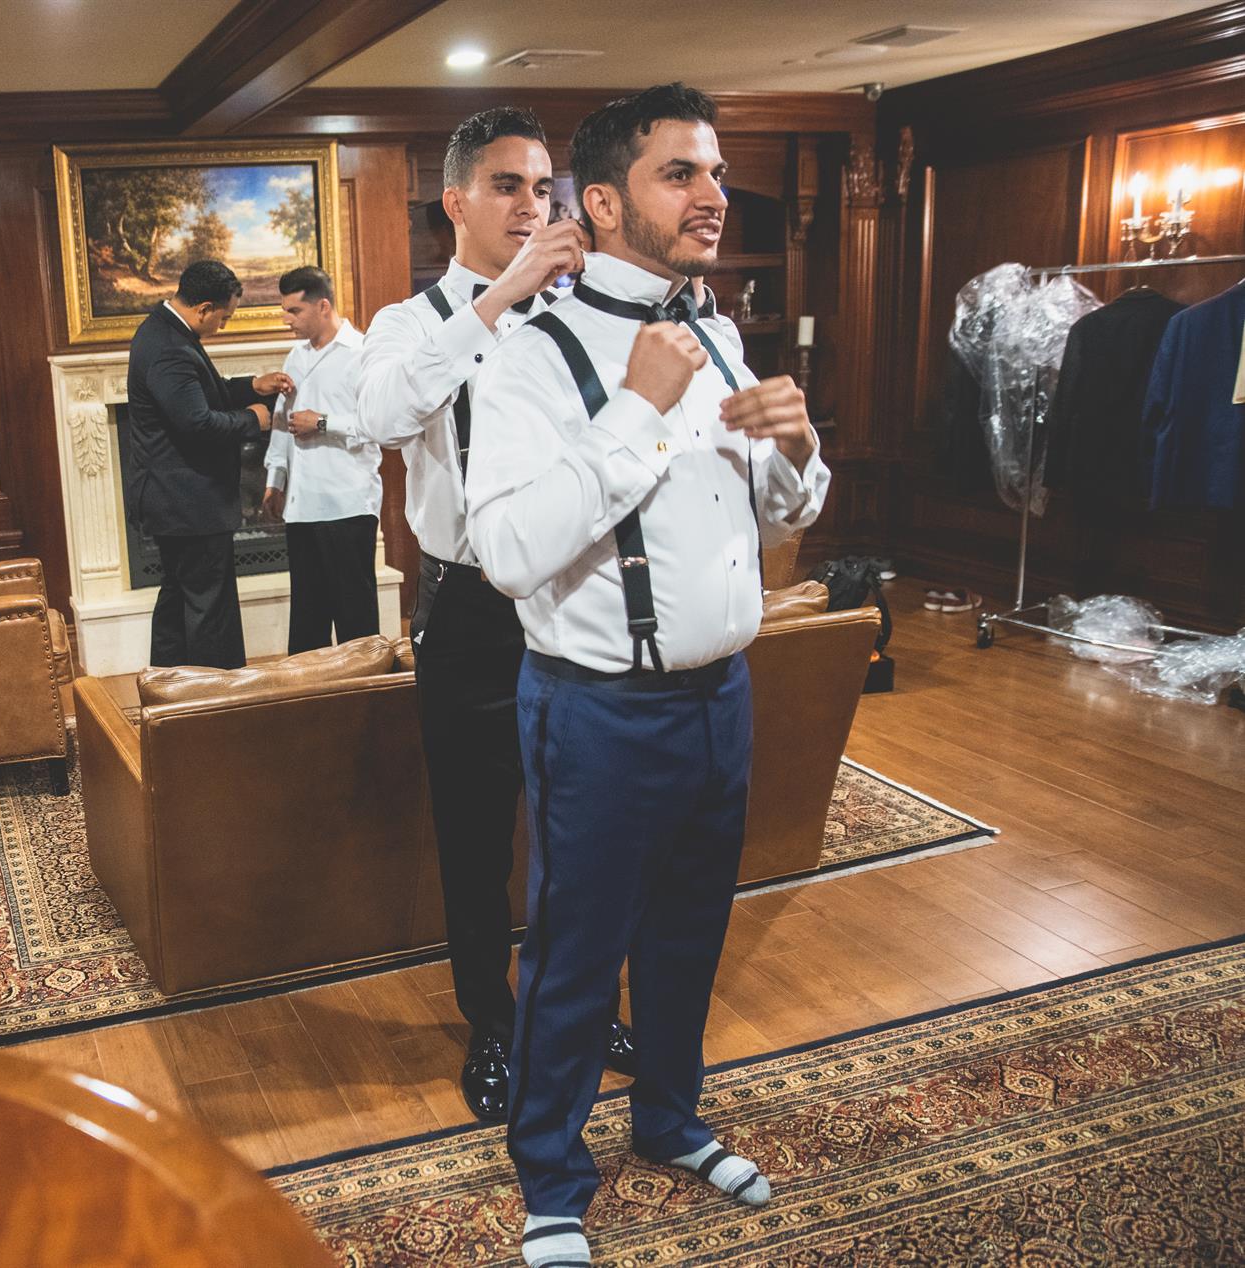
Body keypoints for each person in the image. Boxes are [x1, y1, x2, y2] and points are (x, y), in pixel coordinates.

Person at [465, 85, 829, 1266]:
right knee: (574, 953)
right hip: (597, 710)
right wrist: (636, 407)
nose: (713, 194)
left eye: (715, 171)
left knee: (688, 933)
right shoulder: (529, 357)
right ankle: (550, 1176)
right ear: (606, 203)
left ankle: (669, 1119)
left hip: (724, 695)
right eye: (682, 173)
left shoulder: (716, 334)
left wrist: (799, 451)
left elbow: (772, 521)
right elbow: (508, 553)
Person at [360, 107, 638, 1126]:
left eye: (542, 187)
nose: (532, 205)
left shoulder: (582, 316)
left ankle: (581, 1006)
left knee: (585, 828)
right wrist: (500, 300)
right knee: (476, 836)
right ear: (457, 201)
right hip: (470, 610)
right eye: (507, 186)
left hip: (576, 597)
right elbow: (384, 415)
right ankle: (492, 1019)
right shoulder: (408, 324)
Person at [124, 260, 294, 668]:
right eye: (223, 317)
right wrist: (253, 419)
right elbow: (197, 423)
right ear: (203, 309)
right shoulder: (171, 349)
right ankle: (216, 694)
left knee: (177, 598)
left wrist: (252, 386)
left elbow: (200, 395)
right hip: (187, 503)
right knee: (208, 608)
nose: (223, 325)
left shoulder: (163, 331)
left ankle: (171, 686)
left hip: (173, 501)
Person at [262, 266, 381, 654]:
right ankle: (308, 692)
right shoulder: (294, 357)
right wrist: (275, 479)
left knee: (355, 619)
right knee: (307, 619)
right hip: (302, 505)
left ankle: (363, 690)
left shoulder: (362, 354)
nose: (287, 320)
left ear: (323, 306)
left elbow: (379, 424)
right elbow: (282, 420)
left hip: (347, 502)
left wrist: (323, 423)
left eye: (294, 311)